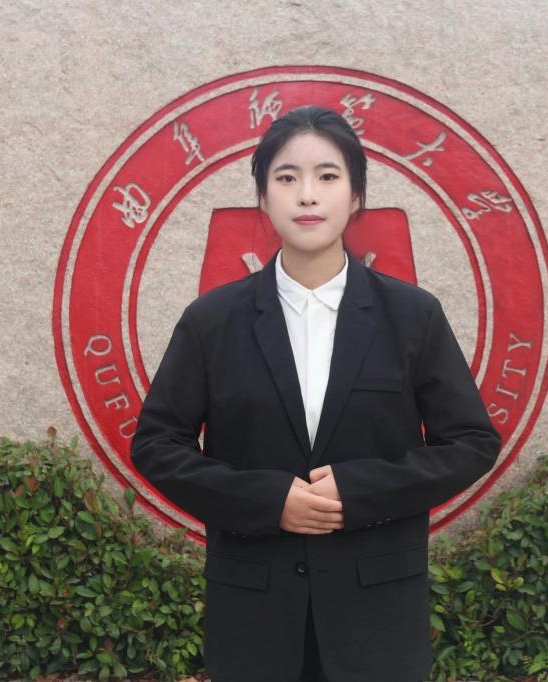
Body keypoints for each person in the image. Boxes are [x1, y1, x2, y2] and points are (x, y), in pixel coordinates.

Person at [130, 104, 502, 682]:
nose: (307, 195)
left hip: (377, 616)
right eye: (287, 177)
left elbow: (471, 442)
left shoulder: (411, 316)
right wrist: (267, 499)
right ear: (262, 197)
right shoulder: (212, 321)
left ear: (356, 196)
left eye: (327, 176)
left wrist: (358, 491)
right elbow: (157, 444)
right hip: (255, 615)